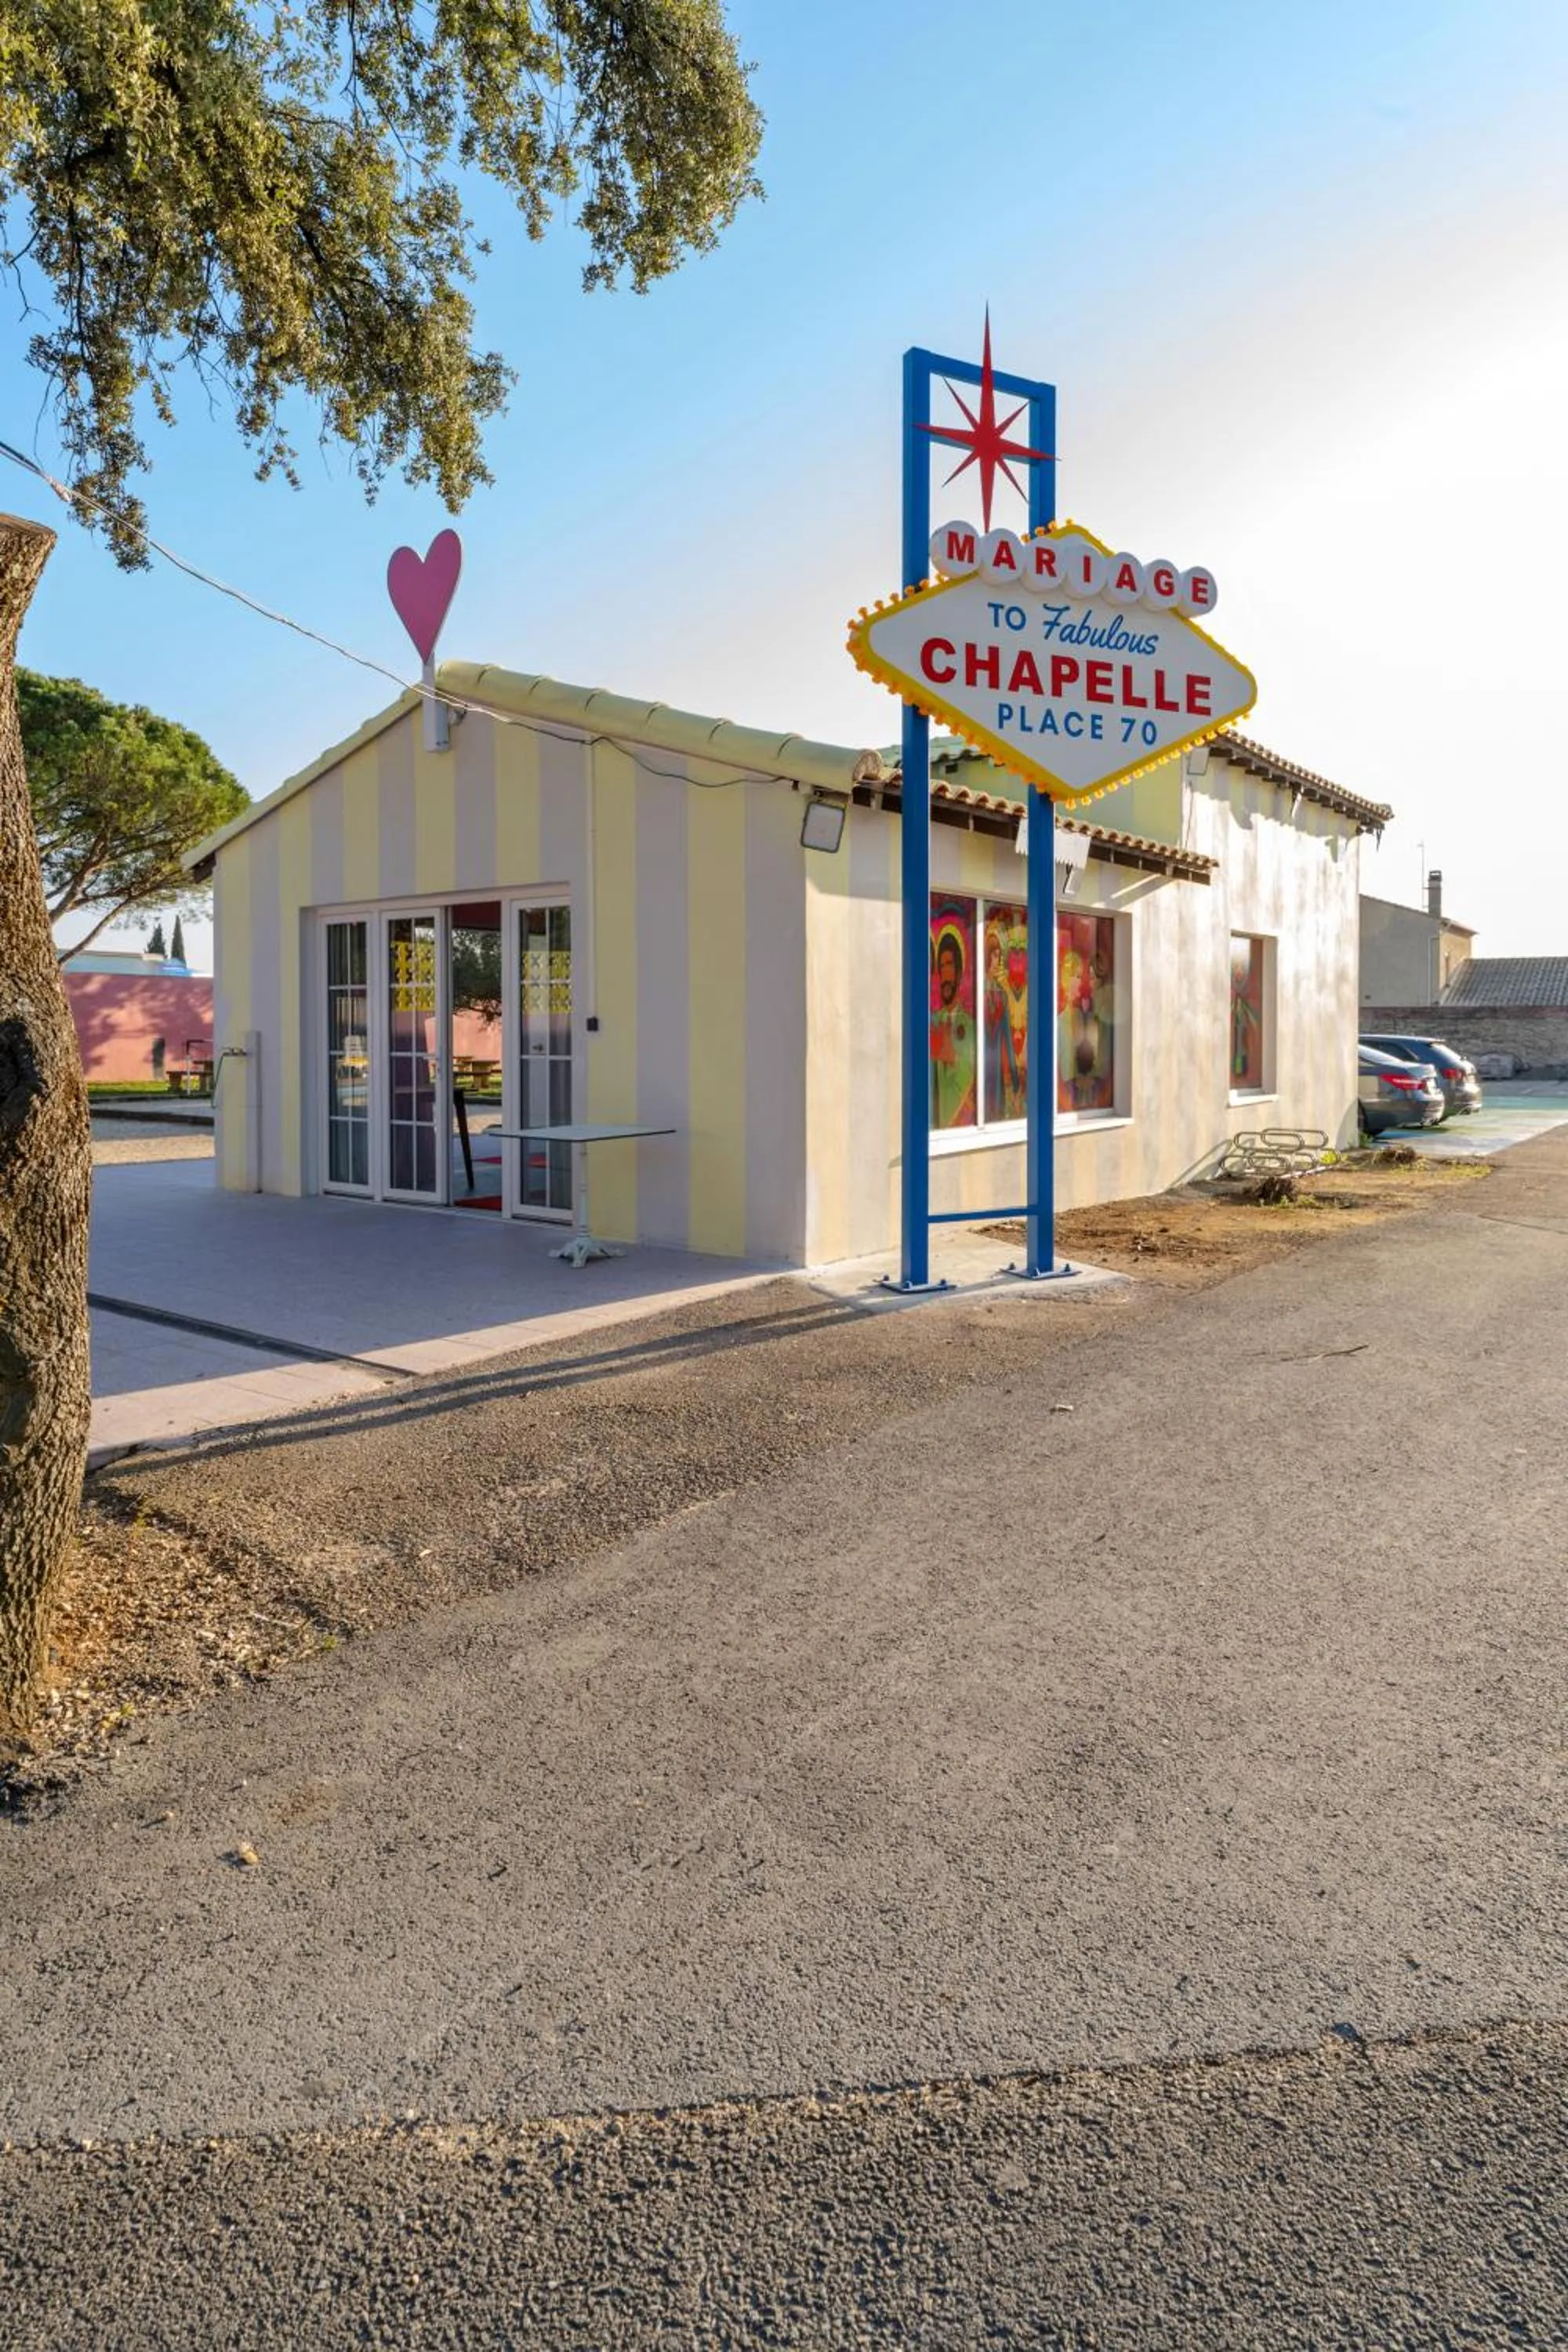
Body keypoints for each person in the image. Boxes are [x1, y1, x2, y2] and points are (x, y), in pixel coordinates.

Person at [931, 925, 976, 1128]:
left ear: (959, 971)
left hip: (959, 1126)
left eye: (949, 964)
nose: (945, 973)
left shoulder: (969, 1025)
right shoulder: (933, 1021)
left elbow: (974, 1069)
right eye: (941, 966)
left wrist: (953, 1058)